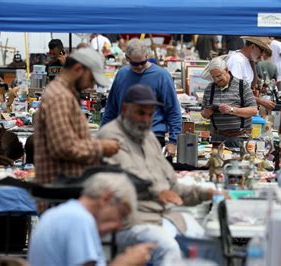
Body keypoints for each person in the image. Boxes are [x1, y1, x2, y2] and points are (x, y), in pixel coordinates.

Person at [97, 84, 216, 265]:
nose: (146, 119)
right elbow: (122, 179)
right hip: (131, 220)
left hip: (163, 215)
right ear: (125, 109)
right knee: (169, 248)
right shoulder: (110, 136)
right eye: (140, 113)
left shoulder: (149, 137)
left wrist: (205, 193)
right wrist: (157, 192)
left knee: (208, 243)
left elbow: (172, 185)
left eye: (150, 114)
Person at [28, 171, 155, 266]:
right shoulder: (79, 219)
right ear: (106, 198)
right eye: (121, 214)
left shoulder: (64, 214)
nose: (118, 225)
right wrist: (126, 262)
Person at [34, 48, 120, 184]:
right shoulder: (60, 97)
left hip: (65, 187)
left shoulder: (64, 94)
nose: (91, 85)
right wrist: (101, 147)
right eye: (91, 78)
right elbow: (64, 147)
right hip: (58, 192)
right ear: (78, 69)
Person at [101, 39, 182, 156]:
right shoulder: (121, 75)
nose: (139, 67)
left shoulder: (162, 76)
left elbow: (173, 110)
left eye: (143, 62)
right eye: (135, 64)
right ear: (127, 58)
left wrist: (173, 141)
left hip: (153, 137)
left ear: (147, 56)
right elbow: (111, 109)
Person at [201, 57, 258, 148]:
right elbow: (203, 113)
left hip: (239, 138)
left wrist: (231, 110)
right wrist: (206, 112)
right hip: (217, 139)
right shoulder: (209, 88)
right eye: (213, 77)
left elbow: (254, 110)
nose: (216, 80)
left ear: (227, 70)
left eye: (219, 76)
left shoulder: (242, 85)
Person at [227, 36, 276, 111]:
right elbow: (236, 91)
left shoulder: (247, 60)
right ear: (253, 47)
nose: (262, 55)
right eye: (262, 51)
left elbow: (249, 85)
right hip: (236, 111)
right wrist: (261, 101)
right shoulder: (238, 61)